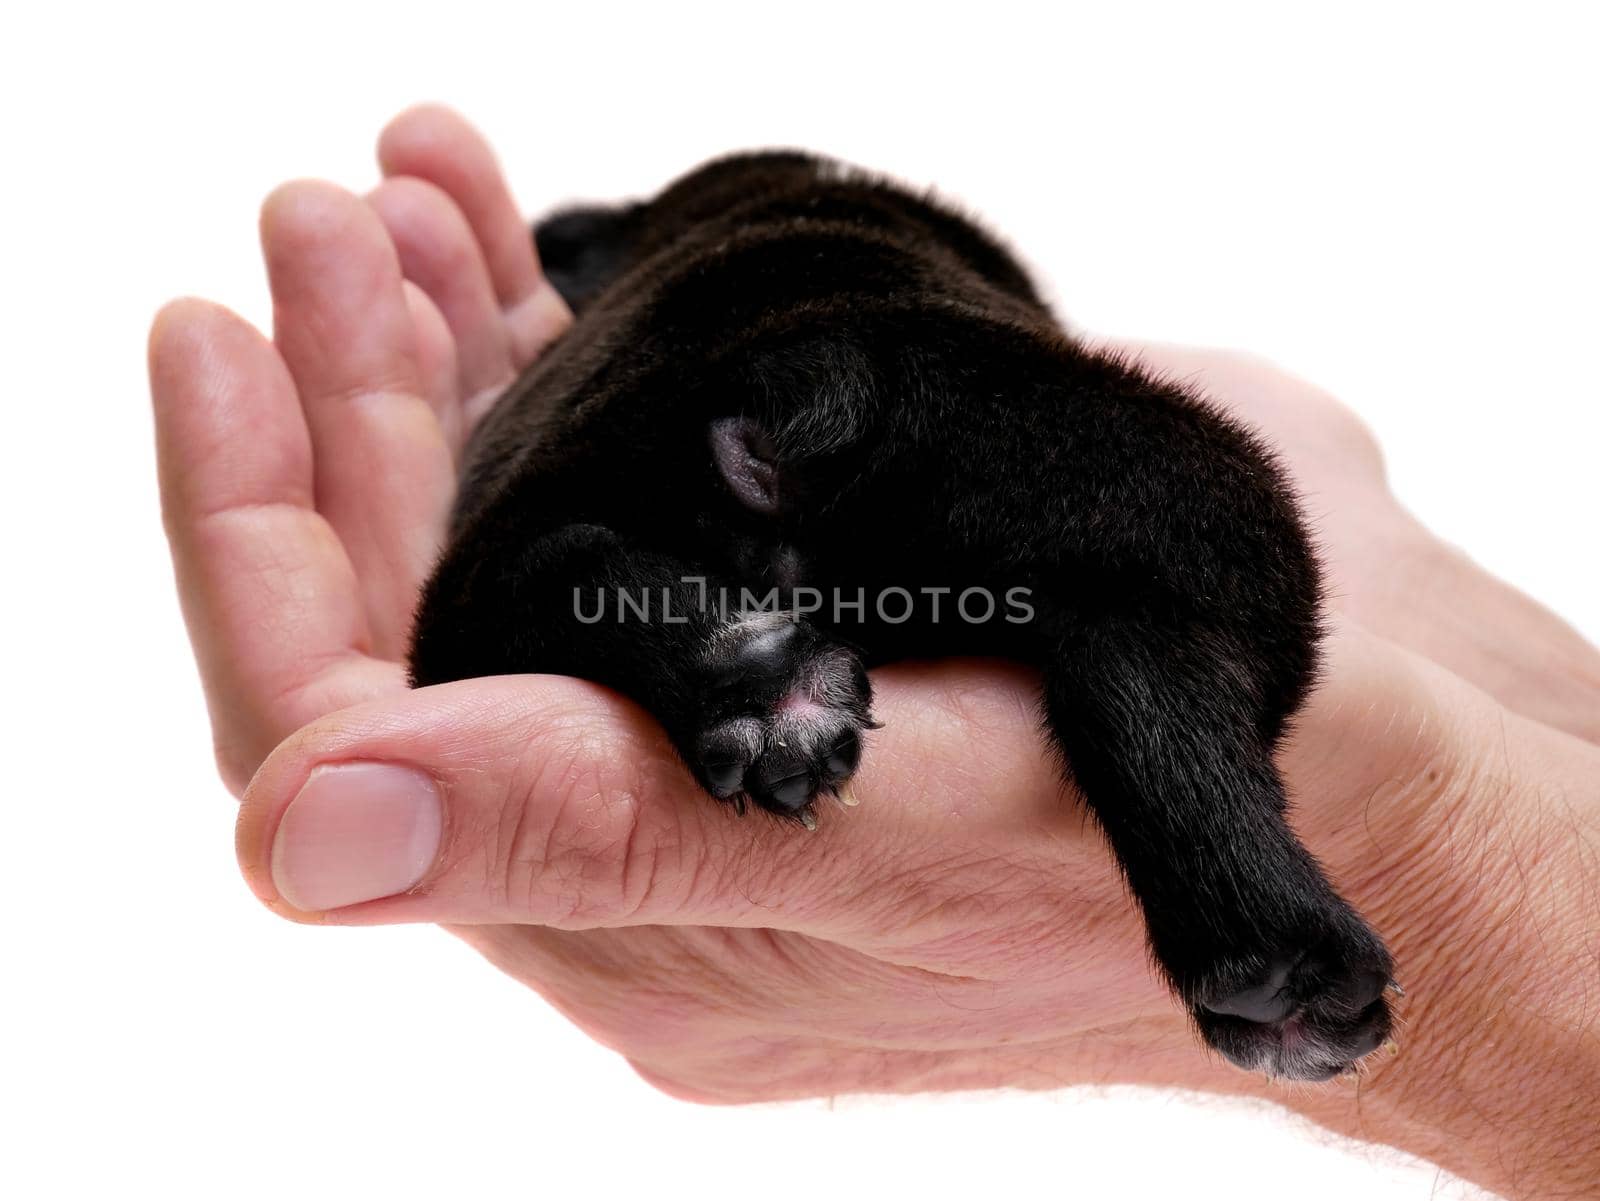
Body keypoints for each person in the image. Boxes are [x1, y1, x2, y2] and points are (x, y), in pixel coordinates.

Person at [148, 105, 1599, 1200]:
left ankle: (708, 640)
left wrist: (1481, 890)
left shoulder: (625, 278)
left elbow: (489, 581)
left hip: (686, 430)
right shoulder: (965, 279)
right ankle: (1231, 875)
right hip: (962, 409)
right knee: (1121, 615)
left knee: (529, 590)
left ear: (604, 262)